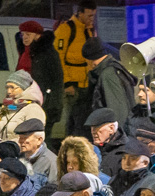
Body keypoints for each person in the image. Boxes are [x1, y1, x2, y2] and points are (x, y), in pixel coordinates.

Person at [53, 0, 97, 137]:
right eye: (89, 15)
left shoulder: (89, 30)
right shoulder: (66, 29)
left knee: (83, 120)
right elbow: (58, 58)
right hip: (73, 85)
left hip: (87, 84)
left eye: (93, 16)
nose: (92, 19)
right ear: (80, 13)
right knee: (73, 120)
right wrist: (67, 83)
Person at [17, 21, 63, 141]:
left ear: (38, 35)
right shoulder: (25, 51)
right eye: (23, 34)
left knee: (41, 137)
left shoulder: (48, 53)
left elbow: (57, 80)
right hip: (26, 100)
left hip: (44, 102)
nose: (25, 37)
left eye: (28, 34)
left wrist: (52, 105)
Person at [82, 37, 135, 127]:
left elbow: (117, 110)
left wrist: (117, 137)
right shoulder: (113, 69)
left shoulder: (108, 74)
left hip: (116, 134)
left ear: (90, 60)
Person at [0, 70, 47, 146]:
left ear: (24, 88)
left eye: (12, 87)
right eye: (7, 87)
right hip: (4, 154)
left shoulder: (33, 109)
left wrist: (9, 147)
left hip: (23, 155)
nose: (9, 91)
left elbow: (33, 138)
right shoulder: (7, 108)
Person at [85, 108, 129, 178]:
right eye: (92, 127)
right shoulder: (90, 151)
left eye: (97, 127)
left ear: (111, 129)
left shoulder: (126, 152)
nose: (93, 131)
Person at [15, 119, 58, 183]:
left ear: (39, 140)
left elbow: (53, 188)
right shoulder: (18, 158)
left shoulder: (51, 162)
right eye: (20, 138)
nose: (20, 141)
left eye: (25, 138)